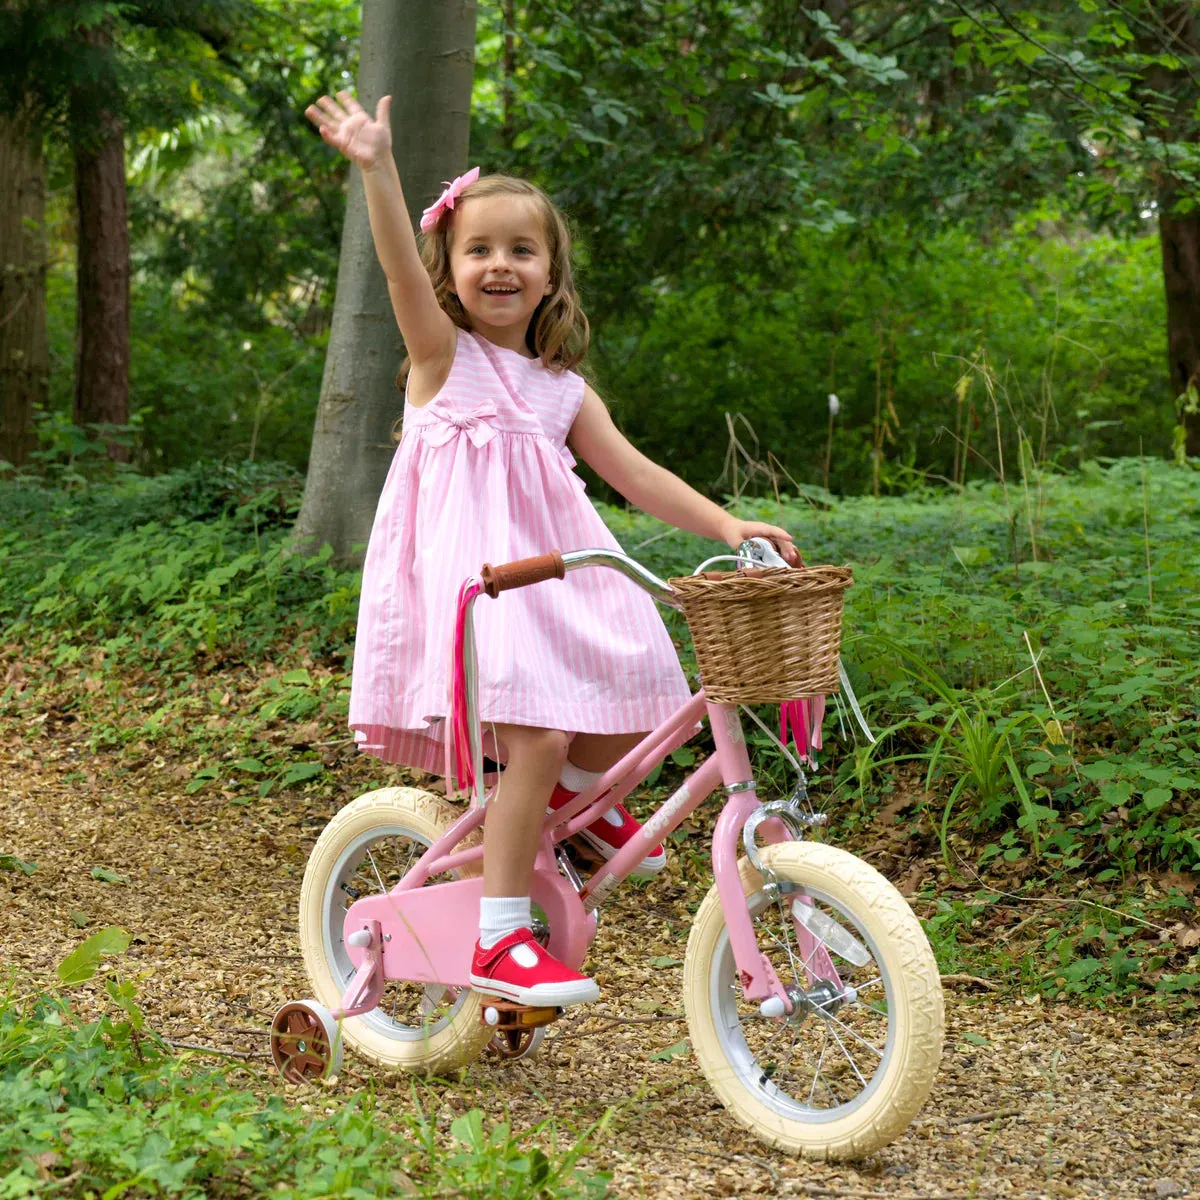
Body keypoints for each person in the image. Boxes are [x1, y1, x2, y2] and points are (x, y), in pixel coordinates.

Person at [305, 92, 798, 1009]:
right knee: (535, 730)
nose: (500, 265)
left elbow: (636, 475)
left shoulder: (559, 388)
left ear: (550, 273)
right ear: (449, 269)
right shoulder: (440, 356)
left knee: (640, 681)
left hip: (559, 579)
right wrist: (377, 169)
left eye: (521, 250)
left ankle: (576, 818)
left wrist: (727, 525)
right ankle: (499, 940)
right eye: (478, 249)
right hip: (478, 586)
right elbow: (396, 277)